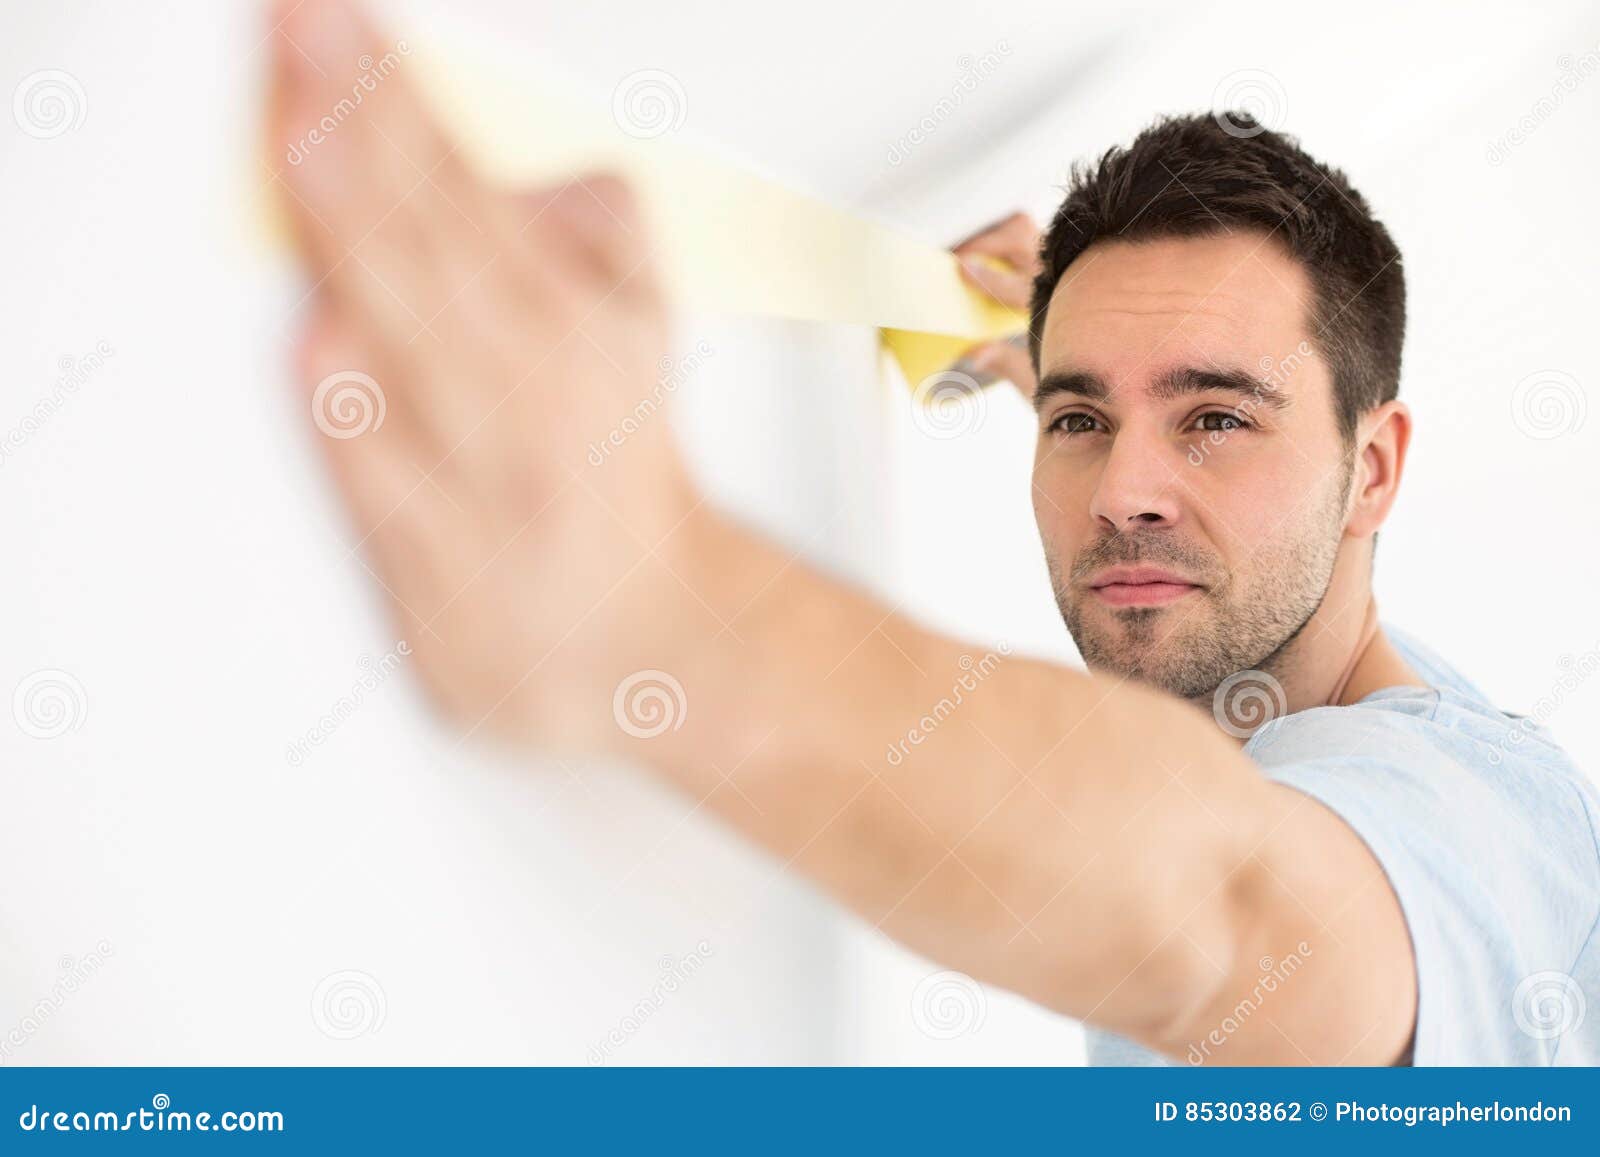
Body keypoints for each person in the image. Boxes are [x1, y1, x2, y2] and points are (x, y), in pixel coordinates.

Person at [270, 0, 1599, 1064]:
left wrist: (656, 612)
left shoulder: (1480, 830)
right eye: (1078, 421)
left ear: (1373, 470)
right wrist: (1076, 366)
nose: (1122, 489)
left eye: (1218, 419)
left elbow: (1236, 912)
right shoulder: (1293, 686)